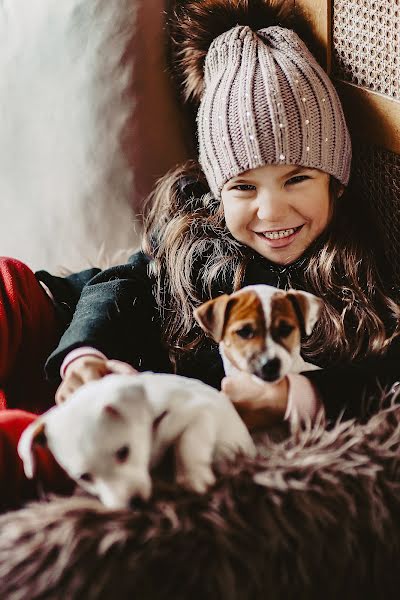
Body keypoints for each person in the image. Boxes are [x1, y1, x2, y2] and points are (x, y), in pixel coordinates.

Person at [1, 0, 399, 510]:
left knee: (33, 452)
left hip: (116, 425)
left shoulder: (351, 281)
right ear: (217, 192)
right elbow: (114, 285)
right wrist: (84, 356)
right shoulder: (191, 240)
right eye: (243, 186)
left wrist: (296, 397)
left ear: (335, 182)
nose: (271, 210)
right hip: (49, 318)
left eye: (297, 178)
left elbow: (384, 374)